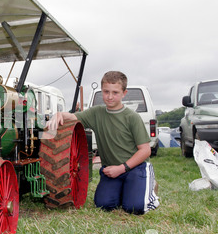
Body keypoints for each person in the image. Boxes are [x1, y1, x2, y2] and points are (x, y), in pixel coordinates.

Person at [47, 71, 159, 215]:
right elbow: (72, 117)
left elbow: (145, 150)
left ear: (124, 93)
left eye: (115, 92)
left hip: (135, 168)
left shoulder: (132, 117)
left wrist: (122, 168)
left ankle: (149, 187)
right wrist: (59, 114)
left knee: (135, 208)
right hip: (111, 170)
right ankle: (127, 189)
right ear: (102, 91)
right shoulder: (96, 113)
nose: (110, 96)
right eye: (106, 92)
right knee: (103, 205)